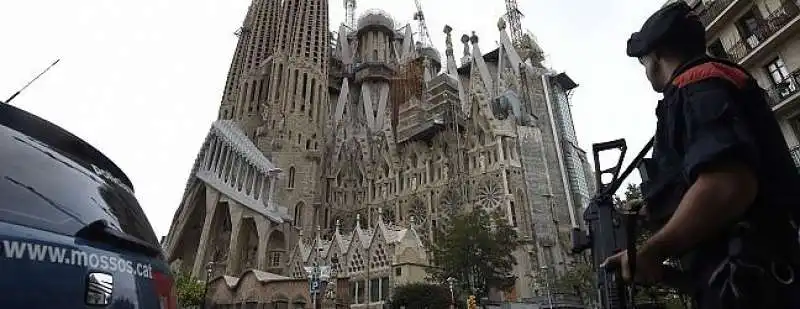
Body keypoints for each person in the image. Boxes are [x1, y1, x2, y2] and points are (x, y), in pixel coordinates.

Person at [601, 1, 800, 308]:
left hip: (757, 283)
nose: (645, 71)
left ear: (655, 57)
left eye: (643, 63)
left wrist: (653, 251)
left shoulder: (697, 85)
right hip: (750, 279)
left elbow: (728, 184)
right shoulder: (715, 80)